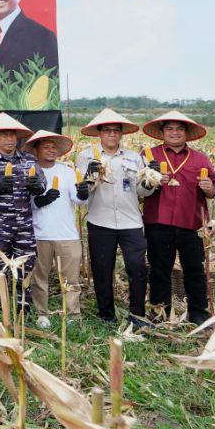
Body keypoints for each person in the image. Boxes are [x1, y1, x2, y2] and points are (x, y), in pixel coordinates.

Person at [77, 109, 153, 327]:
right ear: (99, 133)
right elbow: (83, 191)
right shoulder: (86, 156)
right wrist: (91, 174)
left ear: (121, 134)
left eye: (115, 131)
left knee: (137, 267)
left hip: (131, 222)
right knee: (102, 269)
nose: (111, 134)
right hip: (100, 222)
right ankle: (106, 315)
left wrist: (150, 180)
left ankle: (137, 314)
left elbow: (142, 192)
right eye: (107, 130)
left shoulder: (133, 158)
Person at [142, 111, 215, 325]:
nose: (174, 133)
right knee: (159, 269)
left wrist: (210, 188)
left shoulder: (200, 158)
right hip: (158, 221)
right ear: (163, 132)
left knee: (194, 270)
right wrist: (153, 181)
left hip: (191, 223)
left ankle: (198, 314)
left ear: (187, 133)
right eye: (170, 129)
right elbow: (139, 188)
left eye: (179, 129)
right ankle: (160, 312)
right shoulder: (148, 156)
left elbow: (212, 192)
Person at [0, 113, 45, 315]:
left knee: (25, 266)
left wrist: (37, 186)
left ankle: (23, 307)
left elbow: (42, 186)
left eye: (12, 135)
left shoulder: (29, 161)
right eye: (4, 135)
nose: (10, 139)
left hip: (24, 226)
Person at [24, 130, 88, 327]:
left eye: (54, 147)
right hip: (39, 233)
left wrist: (83, 193)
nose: (51, 150)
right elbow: (25, 202)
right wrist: (41, 200)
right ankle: (42, 313)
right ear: (36, 150)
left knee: (70, 278)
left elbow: (78, 200)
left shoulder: (68, 172)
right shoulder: (30, 173)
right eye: (46, 146)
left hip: (66, 234)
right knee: (39, 277)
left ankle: (72, 314)